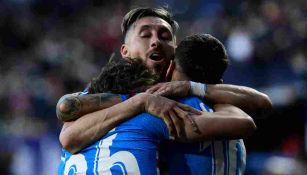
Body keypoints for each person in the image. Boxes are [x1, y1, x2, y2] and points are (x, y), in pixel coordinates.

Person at [57, 7, 272, 174]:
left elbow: (66, 113)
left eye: (164, 36)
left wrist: (187, 87)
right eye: (145, 35)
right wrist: (141, 101)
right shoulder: (110, 89)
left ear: (175, 52)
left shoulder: (176, 105)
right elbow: (68, 127)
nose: (156, 42)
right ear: (125, 51)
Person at [58, 56, 255, 175]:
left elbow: (66, 125)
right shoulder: (150, 119)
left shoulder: (76, 130)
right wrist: (205, 92)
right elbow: (243, 124)